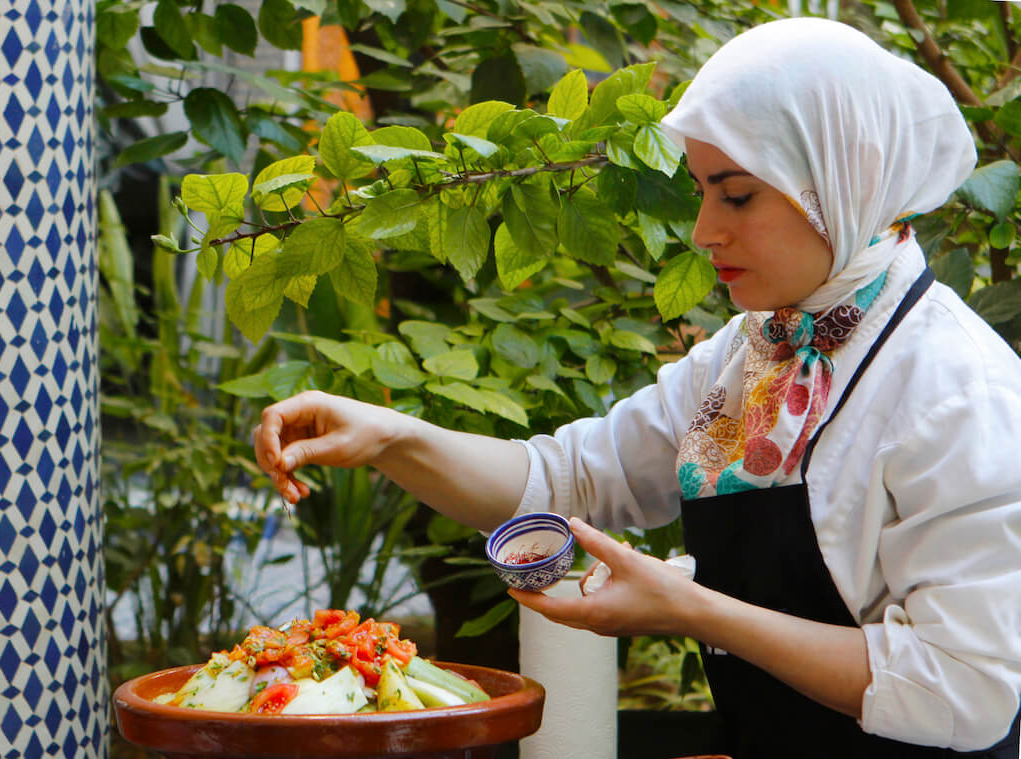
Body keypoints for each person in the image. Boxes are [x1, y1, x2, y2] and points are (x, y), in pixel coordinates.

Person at [253, 18, 1021, 758]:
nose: (702, 230)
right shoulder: (748, 358)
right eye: (701, 191)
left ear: (836, 180)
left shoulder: (959, 390)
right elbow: (567, 479)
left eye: (736, 194)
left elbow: (963, 690)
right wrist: (392, 436)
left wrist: (684, 606)